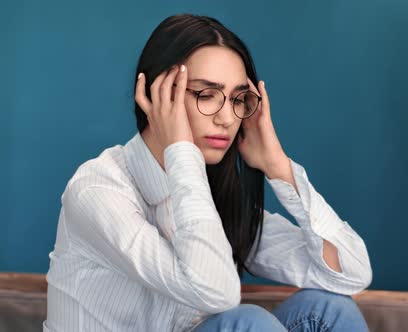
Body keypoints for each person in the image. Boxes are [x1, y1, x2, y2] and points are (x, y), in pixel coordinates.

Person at [44, 14, 372, 332]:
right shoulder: (97, 190)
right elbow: (218, 293)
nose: (228, 118)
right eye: (206, 94)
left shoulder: (212, 193)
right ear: (154, 94)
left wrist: (279, 167)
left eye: (238, 99)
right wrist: (181, 153)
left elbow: (351, 273)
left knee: (329, 310)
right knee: (248, 323)